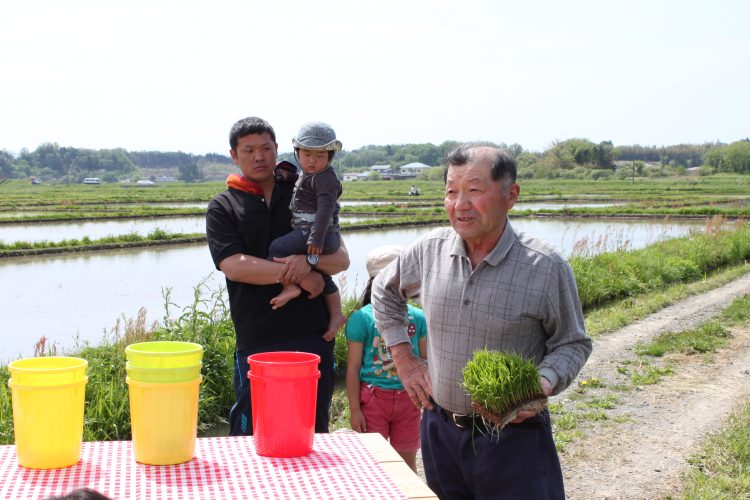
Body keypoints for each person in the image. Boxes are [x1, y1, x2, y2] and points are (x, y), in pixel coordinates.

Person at [371, 144, 592, 499]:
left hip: (513, 438)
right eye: (451, 191)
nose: (460, 204)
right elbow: (383, 291)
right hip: (439, 429)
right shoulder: (430, 250)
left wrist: (543, 382)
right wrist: (405, 361)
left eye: (474, 190)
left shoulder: (544, 266)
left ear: (511, 195)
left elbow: (573, 343)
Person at [206, 116, 350, 436]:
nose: (259, 156)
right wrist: (302, 275)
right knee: (250, 435)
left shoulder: (303, 191)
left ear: (278, 150)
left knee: (311, 434)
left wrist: (305, 263)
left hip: (313, 337)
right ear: (234, 155)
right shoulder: (224, 206)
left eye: (266, 148)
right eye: (248, 150)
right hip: (257, 338)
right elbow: (235, 265)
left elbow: (340, 259)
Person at [345, 244, 427, 472]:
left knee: (407, 467)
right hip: (373, 401)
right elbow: (352, 370)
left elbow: (426, 363)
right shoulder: (362, 318)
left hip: (410, 401)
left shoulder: (418, 317)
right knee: (373, 466)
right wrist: (355, 410)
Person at [267, 121, 346, 341]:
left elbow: (324, 211)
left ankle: (291, 286)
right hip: (318, 235)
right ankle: (337, 313)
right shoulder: (312, 176)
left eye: (319, 156)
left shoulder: (325, 179)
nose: (312, 161)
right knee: (321, 273)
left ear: (330, 157)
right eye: (307, 154)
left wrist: (316, 238)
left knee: (276, 249)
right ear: (297, 153)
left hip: (315, 233)